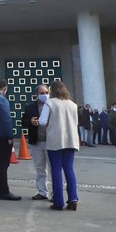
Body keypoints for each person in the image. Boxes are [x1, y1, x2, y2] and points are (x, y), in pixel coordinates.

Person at [35, 79, 80, 211]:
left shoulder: (50, 103)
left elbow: (42, 121)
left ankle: (58, 202)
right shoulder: (72, 104)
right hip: (71, 140)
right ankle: (73, 199)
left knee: (56, 170)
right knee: (69, 169)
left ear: (52, 91)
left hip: (55, 140)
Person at [20, 83, 50, 201]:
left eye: (47, 93)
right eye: (42, 93)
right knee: (40, 168)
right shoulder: (30, 107)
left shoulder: (52, 106)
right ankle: (42, 192)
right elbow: (23, 121)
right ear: (36, 95)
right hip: (36, 141)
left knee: (53, 168)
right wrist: (30, 121)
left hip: (50, 141)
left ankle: (55, 193)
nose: (45, 95)